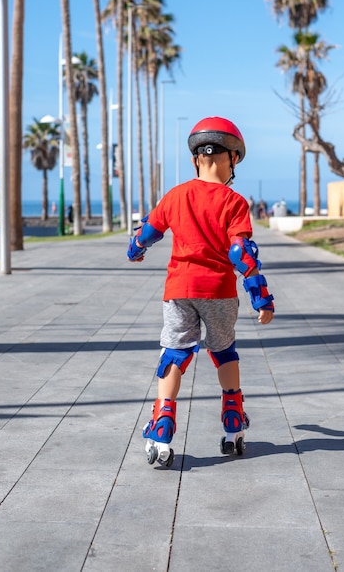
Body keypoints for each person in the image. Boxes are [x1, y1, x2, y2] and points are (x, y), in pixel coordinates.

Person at [127, 117, 275, 466]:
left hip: (179, 289)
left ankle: (162, 429)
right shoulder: (234, 201)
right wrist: (261, 298)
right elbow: (241, 253)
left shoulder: (176, 195)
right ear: (233, 159)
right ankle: (233, 423)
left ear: (197, 158)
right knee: (224, 352)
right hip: (220, 291)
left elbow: (149, 231)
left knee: (175, 355)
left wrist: (135, 247)